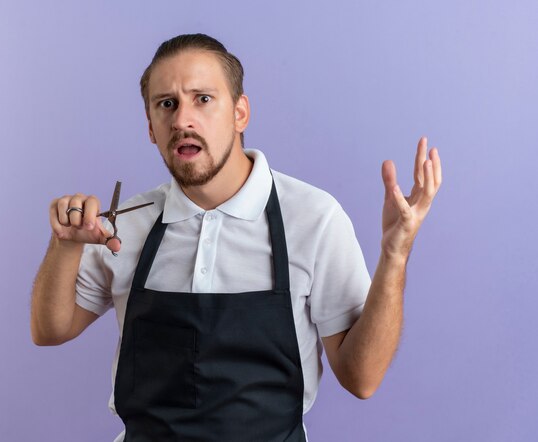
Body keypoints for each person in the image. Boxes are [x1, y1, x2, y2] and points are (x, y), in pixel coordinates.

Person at [30, 33, 442, 441]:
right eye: (166, 104)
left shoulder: (313, 218)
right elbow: (49, 330)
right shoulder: (129, 226)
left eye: (203, 99)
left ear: (240, 113)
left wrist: (395, 254)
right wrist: (64, 245)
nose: (182, 120)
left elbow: (361, 378)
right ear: (151, 128)